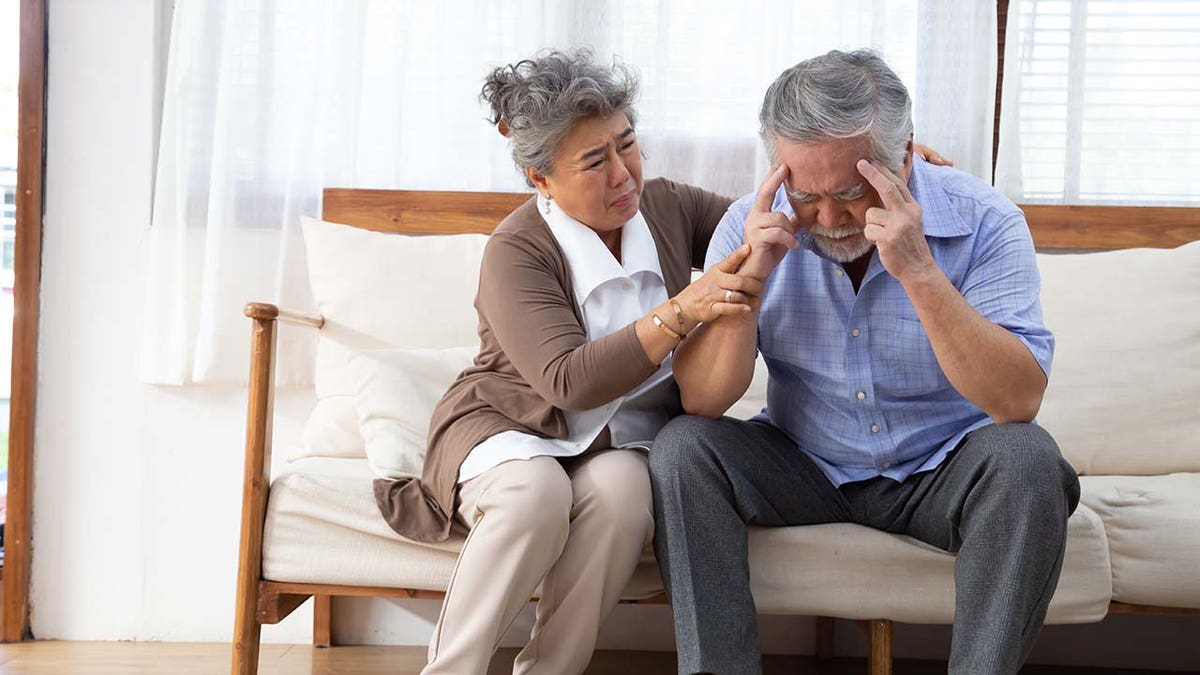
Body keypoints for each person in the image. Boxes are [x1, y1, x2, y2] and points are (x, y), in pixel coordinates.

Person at [652, 49, 1080, 675]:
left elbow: (1016, 402)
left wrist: (919, 272)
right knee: (684, 446)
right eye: (806, 194)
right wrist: (753, 282)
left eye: (851, 194)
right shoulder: (747, 228)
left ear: (905, 155)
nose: (826, 219)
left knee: (1029, 458)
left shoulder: (987, 222)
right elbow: (704, 401)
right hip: (804, 463)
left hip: (944, 470)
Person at [371, 49, 761, 675]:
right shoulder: (516, 249)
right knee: (535, 494)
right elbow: (568, 380)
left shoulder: (667, 207)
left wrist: (892, 172)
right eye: (594, 162)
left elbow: (762, 226)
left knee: (624, 494)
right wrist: (685, 309)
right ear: (539, 178)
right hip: (510, 428)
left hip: (617, 444)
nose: (623, 175)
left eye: (627, 144)